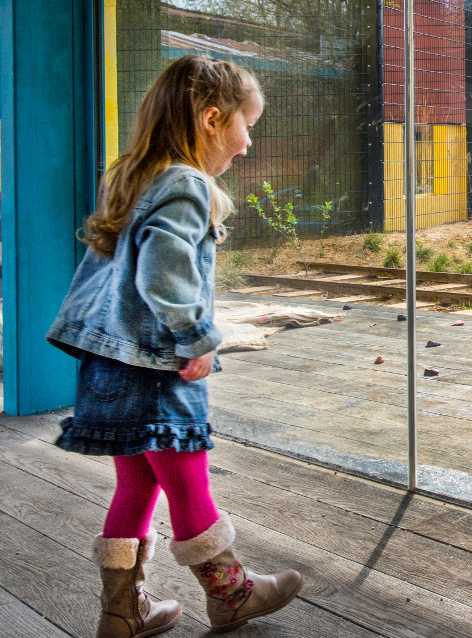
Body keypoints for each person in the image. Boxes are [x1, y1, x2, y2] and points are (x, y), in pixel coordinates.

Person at [46, 54, 303, 637]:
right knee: (188, 483)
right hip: (156, 366)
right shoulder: (186, 183)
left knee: (136, 484)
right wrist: (197, 337)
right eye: (247, 127)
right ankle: (233, 595)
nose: (247, 145)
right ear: (213, 119)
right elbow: (163, 273)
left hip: (107, 365)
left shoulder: (130, 174)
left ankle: (121, 610)